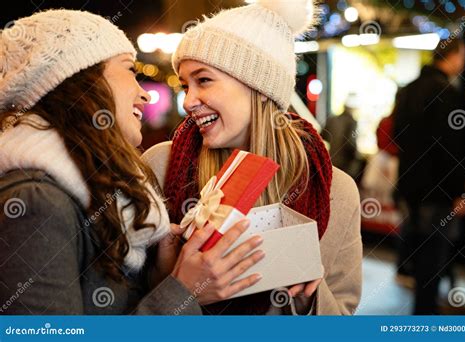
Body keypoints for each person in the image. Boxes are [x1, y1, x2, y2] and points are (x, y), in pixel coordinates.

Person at [0, 9, 264, 315]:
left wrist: (159, 276)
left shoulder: (90, 189)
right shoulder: (34, 202)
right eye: (129, 70)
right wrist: (182, 292)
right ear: (82, 81)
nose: (144, 95)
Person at [143, 0, 362, 315]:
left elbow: (344, 316)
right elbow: (123, 302)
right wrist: (172, 279)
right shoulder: (160, 166)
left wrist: (308, 298)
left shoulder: (335, 191)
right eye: (185, 85)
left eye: (203, 80)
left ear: (259, 86)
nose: (188, 101)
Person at [393, 38, 465, 314]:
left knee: (419, 251)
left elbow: (397, 135)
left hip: (409, 187)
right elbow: (450, 149)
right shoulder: (446, 93)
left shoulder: (409, 90)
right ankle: (425, 319)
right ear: (455, 56)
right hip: (437, 192)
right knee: (432, 259)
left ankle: (421, 311)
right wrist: (458, 191)